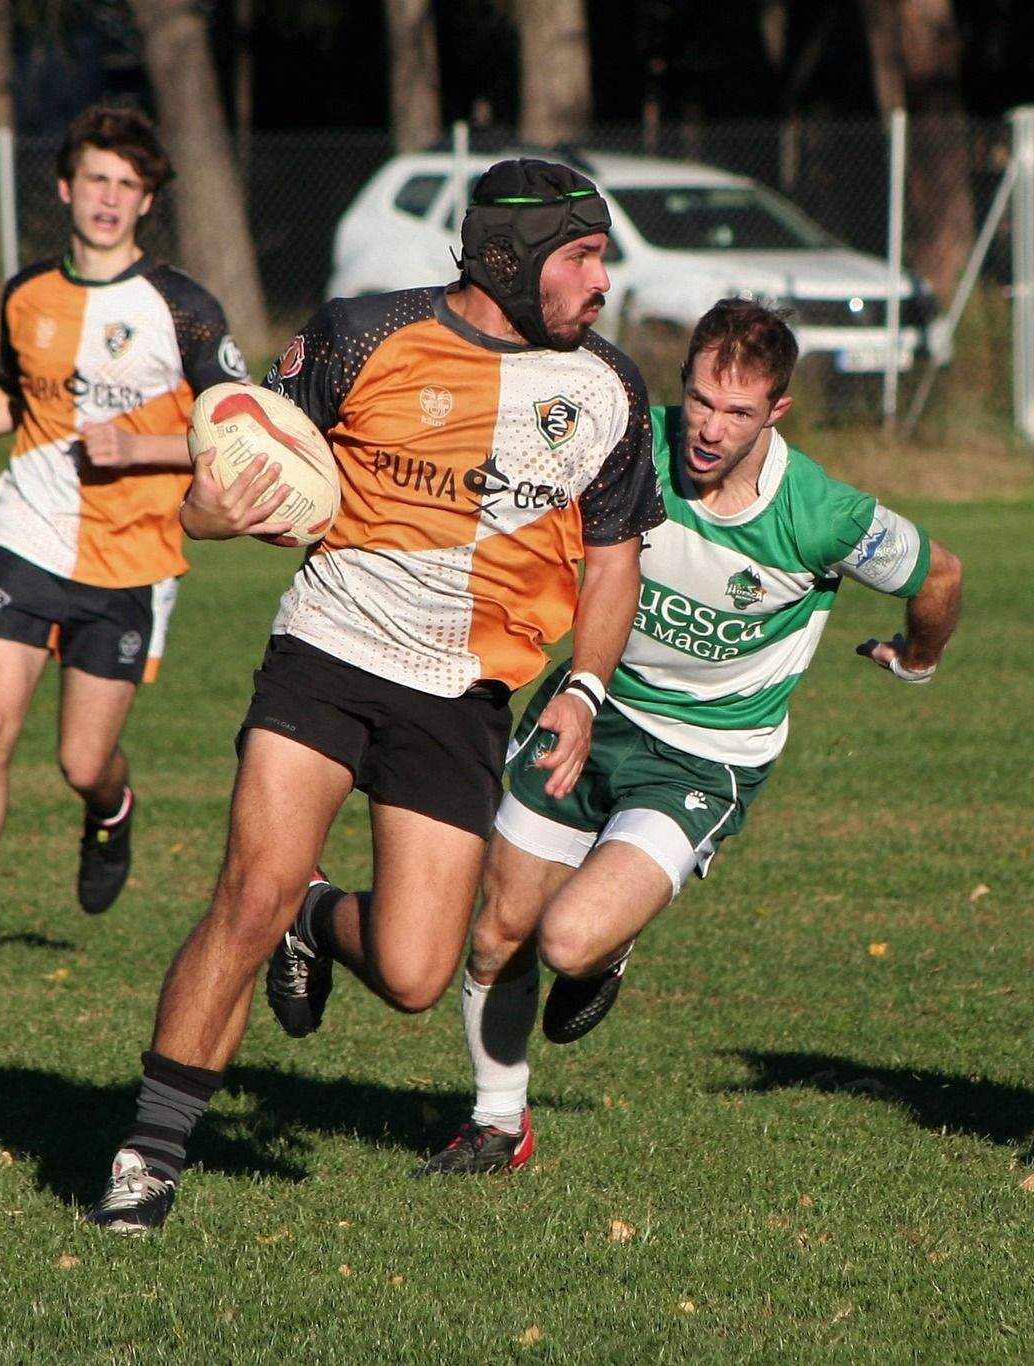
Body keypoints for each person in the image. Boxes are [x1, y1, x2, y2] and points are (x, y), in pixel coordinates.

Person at [86, 158, 664, 1233]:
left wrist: (584, 689)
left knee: (411, 973)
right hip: (330, 650)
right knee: (246, 895)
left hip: (461, 698)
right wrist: (227, 508)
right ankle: (148, 1152)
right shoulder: (359, 334)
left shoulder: (609, 390)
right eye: (582, 255)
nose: (603, 279)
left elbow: (616, 558)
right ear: (512, 257)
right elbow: (223, 481)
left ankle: (318, 913)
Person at [407, 298, 962, 1175]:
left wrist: (917, 658)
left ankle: (612, 947)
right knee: (497, 931)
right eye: (700, 400)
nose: (708, 428)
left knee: (569, 939)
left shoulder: (820, 514)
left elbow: (940, 573)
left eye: (737, 412)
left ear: (776, 412)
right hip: (593, 706)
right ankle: (498, 1124)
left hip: (706, 755)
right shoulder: (630, 440)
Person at [0, 101, 246, 971]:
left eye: (128, 184)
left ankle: (110, 809)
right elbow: (17, 400)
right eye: (97, 180)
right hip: (27, 532)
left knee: (82, 760)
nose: (110, 198)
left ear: (146, 200)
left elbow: (240, 426)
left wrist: (141, 446)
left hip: (134, 555)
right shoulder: (26, 292)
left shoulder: (183, 308)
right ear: (68, 188)